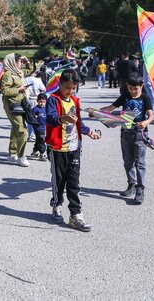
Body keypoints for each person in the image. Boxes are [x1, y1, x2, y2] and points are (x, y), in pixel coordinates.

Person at [46, 70, 101, 231]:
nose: (70, 91)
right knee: (59, 181)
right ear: (60, 84)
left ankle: (75, 215)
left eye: (73, 88)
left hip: (74, 147)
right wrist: (63, 119)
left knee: (74, 182)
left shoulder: (75, 101)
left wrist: (90, 132)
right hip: (58, 148)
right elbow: (50, 118)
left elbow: (79, 124)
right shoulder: (53, 100)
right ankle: (56, 205)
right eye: (67, 88)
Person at [98, 72, 154, 204]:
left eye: (136, 88)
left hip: (140, 134)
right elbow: (111, 108)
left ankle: (140, 189)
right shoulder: (125, 97)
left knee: (139, 162)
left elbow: (151, 116)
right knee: (128, 161)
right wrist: (96, 113)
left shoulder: (145, 98)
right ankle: (131, 185)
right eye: (130, 88)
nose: (133, 91)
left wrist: (145, 123)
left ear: (141, 86)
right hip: (125, 133)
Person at [1, 53, 30, 167]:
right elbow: (5, 91)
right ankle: (21, 156)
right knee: (22, 130)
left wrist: (27, 61)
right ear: (13, 62)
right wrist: (19, 89)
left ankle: (12, 153)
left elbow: (29, 71)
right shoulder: (8, 74)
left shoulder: (18, 72)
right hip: (12, 104)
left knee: (15, 128)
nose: (21, 63)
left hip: (20, 103)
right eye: (19, 61)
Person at [29, 93, 47, 160]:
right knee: (42, 140)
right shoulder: (35, 109)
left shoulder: (46, 109)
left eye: (44, 102)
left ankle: (34, 152)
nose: (42, 103)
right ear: (37, 101)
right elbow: (31, 117)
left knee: (38, 140)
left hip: (43, 127)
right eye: (40, 101)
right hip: (38, 128)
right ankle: (42, 154)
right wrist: (34, 119)